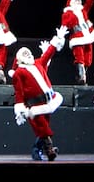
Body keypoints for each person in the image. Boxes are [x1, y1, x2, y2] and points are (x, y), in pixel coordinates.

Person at [11, 26, 68, 162]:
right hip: (34, 105)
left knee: (43, 129)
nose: (28, 55)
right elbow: (19, 92)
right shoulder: (19, 72)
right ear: (19, 59)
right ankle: (49, 150)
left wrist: (58, 38)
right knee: (43, 129)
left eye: (28, 53)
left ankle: (37, 150)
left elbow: (48, 54)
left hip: (48, 101)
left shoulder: (38, 63)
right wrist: (20, 110)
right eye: (24, 54)